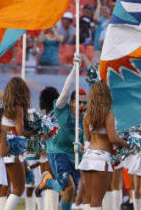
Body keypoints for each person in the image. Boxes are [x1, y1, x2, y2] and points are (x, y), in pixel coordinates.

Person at [36, 55, 85, 210]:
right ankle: (49, 182)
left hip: (74, 153)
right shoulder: (61, 108)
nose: (82, 105)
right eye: (79, 102)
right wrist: (75, 69)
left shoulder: (84, 118)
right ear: (71, 102)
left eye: (85, 102)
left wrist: (83, 148)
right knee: (67, 186)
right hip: (57, 152)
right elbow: (65, 91)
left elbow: (84, 139)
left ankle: (48, 183)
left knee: (70, 191)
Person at [78, 82, 128, 210]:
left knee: (87, 198)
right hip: (101, 159)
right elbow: (112, 138)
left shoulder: (87, 115)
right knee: (97, 201)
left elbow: (88, 138)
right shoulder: (108, 114)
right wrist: (127, 143)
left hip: (88, 157)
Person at [0, 77, 31, 210]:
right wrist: (34, 132)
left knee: (4, 187)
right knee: (19, 188)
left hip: (1, 150)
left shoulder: (4, 107)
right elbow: (20, 131)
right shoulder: (18, 108)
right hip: (11, 151)